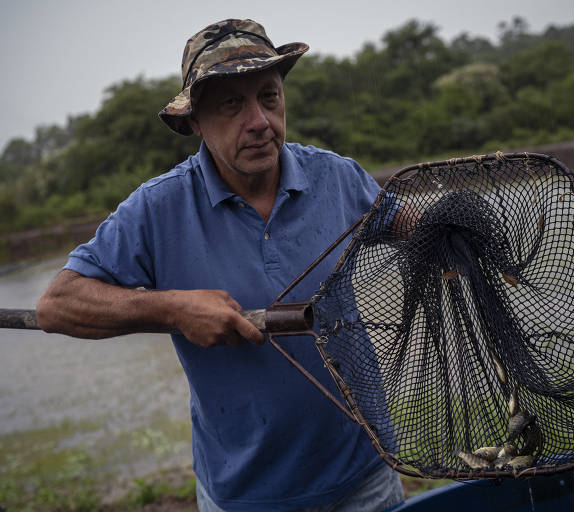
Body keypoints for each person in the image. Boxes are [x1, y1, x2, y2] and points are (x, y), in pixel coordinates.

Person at [37, 19, 404, 512]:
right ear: (194, 120)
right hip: (245, 496)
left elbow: (409, 226)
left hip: (367, 477)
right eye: (231, 104)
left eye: (269, 97)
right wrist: (172, 309)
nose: (258, 121)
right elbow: (57, 305)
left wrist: (459, 227)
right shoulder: (158, 209)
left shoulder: (336, 177)